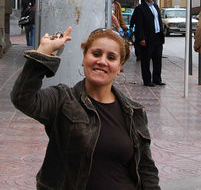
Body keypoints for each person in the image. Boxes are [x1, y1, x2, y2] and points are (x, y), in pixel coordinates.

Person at [10, 27, 160, 189]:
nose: (102, 61)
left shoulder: (133, 111)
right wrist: (43, 54)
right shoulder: (62, 100)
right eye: (96, 54)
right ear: (84, 58)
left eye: (111, 57)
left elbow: (146, 169)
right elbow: (22, 98)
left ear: (119, 67)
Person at [132, 0, 165, 86]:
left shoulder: (156, 7)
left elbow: (158, 21)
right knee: (146, 60)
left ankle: (157, 79)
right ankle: (147, 80)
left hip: (157, 37)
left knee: (157, 59)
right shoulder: (140, 8)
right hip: (147, 38)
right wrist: (141, 38)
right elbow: (139, 25)